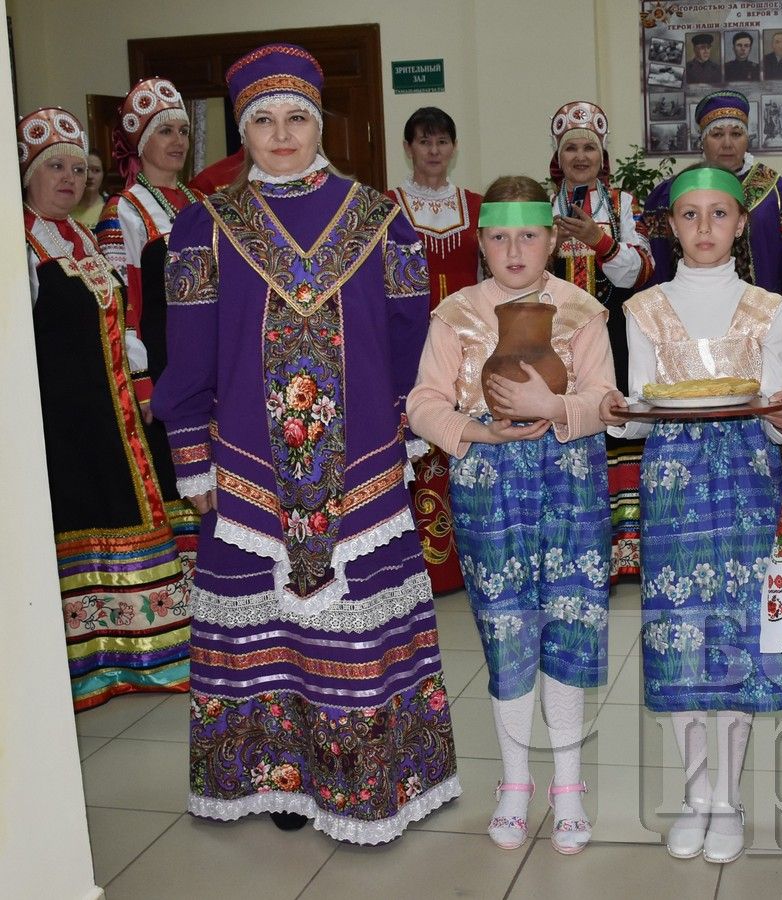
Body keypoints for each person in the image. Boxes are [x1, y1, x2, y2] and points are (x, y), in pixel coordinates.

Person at [151, 42, 459, 843]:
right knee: (265, 629)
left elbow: (407, 337)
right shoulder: (200, 226)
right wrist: (191, 457)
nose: (281, 134)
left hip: (360, 460)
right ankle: (279, 780)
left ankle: (370, 779)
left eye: (296, 118)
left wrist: (405, 429)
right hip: (248, 468)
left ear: (319, 125)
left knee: (355, 622)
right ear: (242, 132)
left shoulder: (381, 218)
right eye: (262, 121)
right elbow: (185, 357)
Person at [600, 163, 782, 864]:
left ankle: (730, 797)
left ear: (741, 223)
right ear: (671, 224)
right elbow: (637, 415)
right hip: (675, 484)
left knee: (738, 638)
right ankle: (694, 793)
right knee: (681, 636)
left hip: (746, 484)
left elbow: (776, 419)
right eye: (690, 215)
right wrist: (619, 413)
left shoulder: (768, 307)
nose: (705, 228)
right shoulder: (644, 309)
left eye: (720, 214)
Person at [408, 176, 615, 855]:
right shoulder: (455, 315)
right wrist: (479, 431)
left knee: (568, 628)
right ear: (481, 242)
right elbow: (422, 404)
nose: (515, 250)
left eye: (529, 235)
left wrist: (558, 409)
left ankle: (569, 787)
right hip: (487, 487)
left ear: (553, 240)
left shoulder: (582, 311)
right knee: (506, 634)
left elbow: (609, 403)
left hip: (570, 482)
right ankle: (516, 783)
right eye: (499, 237)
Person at [20, 107, 193, 711]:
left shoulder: (84, 239)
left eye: (76, 168)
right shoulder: (20, 245)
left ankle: (137, 650)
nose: (69, 179)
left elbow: (125, 319)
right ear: (26, 177)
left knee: (123, 507)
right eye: (54, 169)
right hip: (60, 419)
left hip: (110, 410)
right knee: (82, 516)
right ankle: (90, 659)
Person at [548, 100, 654, 580]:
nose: (580, 155)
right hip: (555, 338)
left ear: (602, 153)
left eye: (589, 146)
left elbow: (641, 273)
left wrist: (600, 240)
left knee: (616, 429)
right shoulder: (540, 202)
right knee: (567, 430)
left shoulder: (625, 202)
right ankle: (575, 550)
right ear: (559, 154)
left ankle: (625, 553)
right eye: (571, 146)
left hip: (614, 335)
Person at [388, 106, 481, 596]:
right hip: (406, 346)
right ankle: (418, 566)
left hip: (469, 346)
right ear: (408, 148)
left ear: (454, 147)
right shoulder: (384, 206)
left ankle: (468, 560)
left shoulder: (478, 204)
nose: (434, 151)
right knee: (418, 440)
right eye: (424, 142)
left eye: (442, 141)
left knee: (463, 440)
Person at [642, 90, 782, 354]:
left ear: (748, 138)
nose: (727, 143)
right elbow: (659, 264)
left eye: (736, 134)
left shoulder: (778, 192)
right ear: (702, 141)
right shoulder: (670, 195)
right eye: (717, 134)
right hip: (686, 324)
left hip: (763, 324)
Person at [97, 78, 207, 425]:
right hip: (164, 366)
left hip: (211, 364)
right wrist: (140, 380)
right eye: (166, 131)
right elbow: (121, 302)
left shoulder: (204, 205)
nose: (179, 141)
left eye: (184, 131)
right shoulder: (124, 211)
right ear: (141, 143)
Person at [72, 150, 106, 227]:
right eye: (84, 170)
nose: (89, 176)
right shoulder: (64, 209)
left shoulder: (111, 208)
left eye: (96, 170)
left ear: (104, 174)